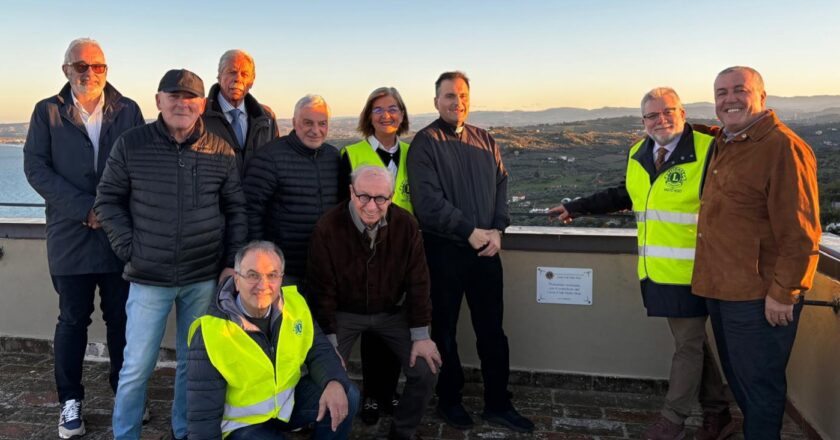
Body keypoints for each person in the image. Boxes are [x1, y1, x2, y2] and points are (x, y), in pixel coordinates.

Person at [548, 88, 733, 440]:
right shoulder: (639, 152)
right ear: (643, 121)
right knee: (691, 343)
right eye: (652, 115)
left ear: (682, 113)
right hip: (660, 272)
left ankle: (673, 418)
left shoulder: (710, 150)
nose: (660, 120)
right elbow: (625, 194)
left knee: (688, 346)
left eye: (667, 112)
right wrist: (576, 207)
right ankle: (717, 411)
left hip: (703, 269)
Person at [94, 69, 247, 440]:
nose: (182, 103)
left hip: (203, 277)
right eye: (173, 95)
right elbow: (107, 201)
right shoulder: (132, 145)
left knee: (191, 365)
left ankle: (184, 430)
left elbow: (236, 210)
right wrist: (131, 249)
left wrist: (230, 264)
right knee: (136, 367)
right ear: (158, 100)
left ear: (203, 105)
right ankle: (125, 434)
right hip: (149, 277)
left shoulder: (220, 151)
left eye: (190, 96)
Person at [22, 37, 144, 439]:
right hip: (70, 236)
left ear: (106, 70)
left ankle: (124, 395)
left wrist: (107, 212)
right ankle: (70, 401)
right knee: (72, 320)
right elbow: (36, 170)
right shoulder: (47, 112)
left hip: (117, 236)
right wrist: (84, 208)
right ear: (66, 70)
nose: (89, 73)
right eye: (80, 66)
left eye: (97, 66)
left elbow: (139, 168)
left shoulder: (128, 110)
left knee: (121, 318)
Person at [692, 66, 821, 439]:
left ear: (761, 96)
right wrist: (674, 124)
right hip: (722, 289)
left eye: (739, 90)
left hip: (759, 297)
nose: (729, 99)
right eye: (720, 93)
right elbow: (717, 129)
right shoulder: (730, 141)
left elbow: (801, 234)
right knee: (742, 384)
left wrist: (784, 293)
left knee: (761, 389)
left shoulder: (783, 148)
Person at [406, 71, 533, 433]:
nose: (456, 102)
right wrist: (469, 231)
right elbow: (427, 204)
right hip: (443, 252)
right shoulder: (424, 143)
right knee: (444, 331)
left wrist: (498, 229)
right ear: (435, 101)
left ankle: (497, 403)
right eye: (449, 96)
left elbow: (501, 183)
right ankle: (449, 401)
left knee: (492, 331)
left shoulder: (484, 139)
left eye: (462, 95)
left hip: (486, 253)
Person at [307, 166, 440, 440]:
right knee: (322, 368)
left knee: (427, 367)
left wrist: (421, 334)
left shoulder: (406, 225)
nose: (372, 205)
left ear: (391, 197)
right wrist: (329, 340)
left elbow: (419, 282)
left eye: (381, 198)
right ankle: (326, 430)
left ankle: (403, 432)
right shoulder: (327, 227)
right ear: (351, 193)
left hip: (391, 313)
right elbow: (322, 290)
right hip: (343, 314)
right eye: (364, 196)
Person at [187, 240, 359, 440]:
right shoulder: (210, 332)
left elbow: (318, 349)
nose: (263, 285)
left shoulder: (295, 304)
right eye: (253, 275)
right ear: (236, 279)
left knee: (346, 393)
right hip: (242, 425)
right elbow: (202, 416)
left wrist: (334, 381)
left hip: (286, 407)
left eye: (272, 275)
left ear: (281, 278)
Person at [338, 87, 410, 424]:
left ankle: (389, 391)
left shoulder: (413, 153)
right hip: (361, 251)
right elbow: (341, 208)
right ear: (369, 116)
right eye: (378, 110)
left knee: (395, 320)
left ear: (402, 113)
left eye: (392, 108)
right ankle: (369, 395)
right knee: (368, 326)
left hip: (401, 253)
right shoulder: (351, 154)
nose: (386, 115)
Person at [243, 94, 340, 286]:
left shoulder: (334, 157)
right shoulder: (270, 158)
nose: (316, 130)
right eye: (308, 123)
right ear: (294, 123)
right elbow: (250, 211)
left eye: (322, 123)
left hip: (324, 266)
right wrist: (263, 257)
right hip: (282, 270)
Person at [203, 49, 279, 176]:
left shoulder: (267, 117)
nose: (238, 78)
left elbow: (276, 164)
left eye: (244, 74)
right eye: (232, 72)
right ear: (219, 76)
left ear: (252, 80)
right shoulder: (200, 115)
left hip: (257, 195)